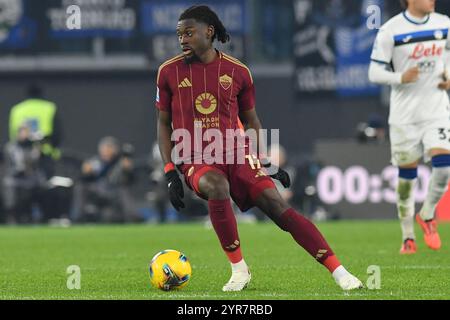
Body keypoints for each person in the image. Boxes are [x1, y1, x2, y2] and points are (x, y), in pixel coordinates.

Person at [156, 5, 362, 291]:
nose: (183, 39)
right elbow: (163, 123)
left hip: (237, 154)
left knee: (277, 206)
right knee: (216, 187)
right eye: (180, 34)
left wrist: (263, 160)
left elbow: (251, 120)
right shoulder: (168, 72)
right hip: (193, 155)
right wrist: (169, 171)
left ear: (209, 31)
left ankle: (340, 273)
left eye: (189, 33)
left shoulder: (238, 72)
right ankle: (239, 269)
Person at [369, 0, 450, 254]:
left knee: (444, 167)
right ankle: (407, 236)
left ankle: (426, 214)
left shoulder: (444, 24)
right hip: (404, 116)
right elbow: (374, 72)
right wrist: (400, 77)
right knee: (407, 179)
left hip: (436, 110)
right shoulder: (390, 30)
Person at [76, 137, 137, 223]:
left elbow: (130, 180)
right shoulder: (95, 162)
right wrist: (86, 173)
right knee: (81, 187)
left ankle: (133, 217)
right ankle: (78, 217)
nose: (106, 152)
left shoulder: (120, 163)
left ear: (115, 150)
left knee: (109, 215)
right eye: (104, 149)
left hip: (113, 195)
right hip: (97, 192)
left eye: (109, 149)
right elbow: (84, 179)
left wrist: (127, 171)